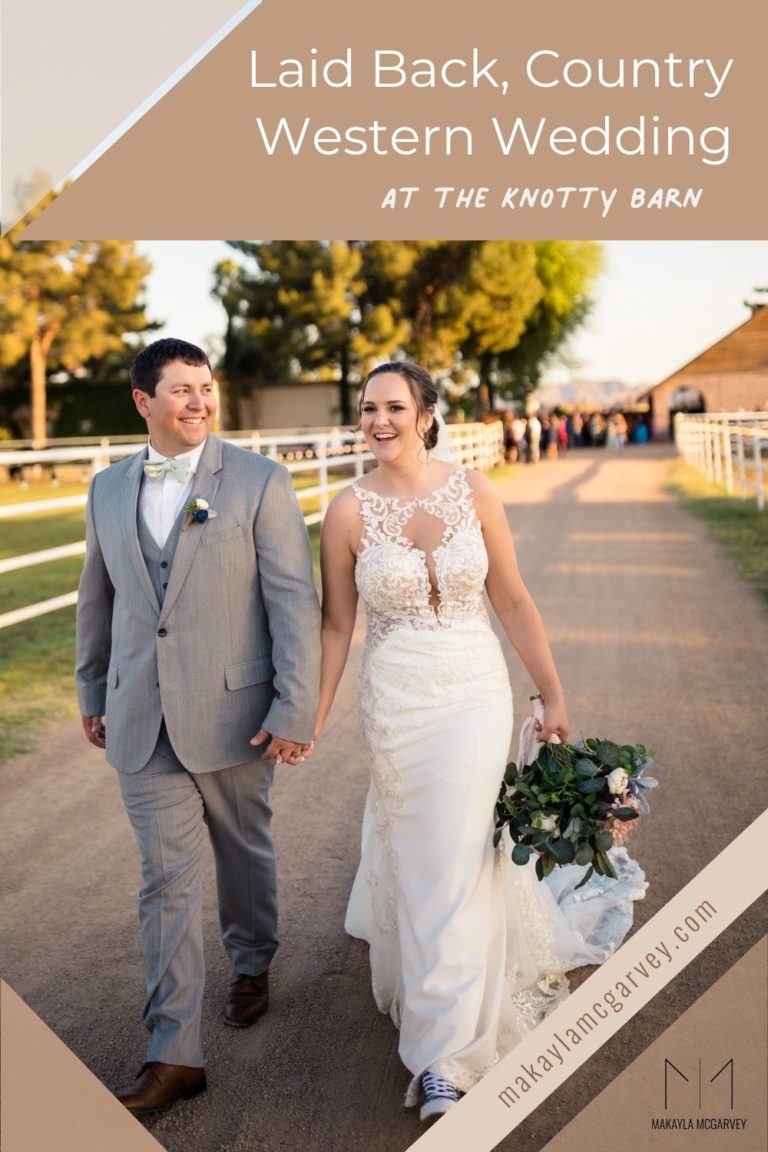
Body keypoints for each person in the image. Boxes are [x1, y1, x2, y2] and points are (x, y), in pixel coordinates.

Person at [314, 362, 645, 1123]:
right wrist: (316, 714)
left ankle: (444, 1060)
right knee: (431, 862)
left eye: (394, 406)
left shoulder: (475, 492)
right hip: (396, 701)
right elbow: (337, 626)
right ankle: (446, 1020)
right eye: (368, 409)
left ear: (427, 414)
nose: (379, 420)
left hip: (472, 694)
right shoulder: (346, 512)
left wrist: (552, 691)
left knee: (459, 857)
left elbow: (512, 596)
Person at [75, 338, 320, 1116]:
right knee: (165, 884)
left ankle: (252, 960)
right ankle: (174, 1052)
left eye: (204, 389)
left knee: (243, 848)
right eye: (179, 391)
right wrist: (92, 685)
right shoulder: (106, 490)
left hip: (236, 714)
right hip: (140, 718)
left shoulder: (259, 481)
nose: (197, 403)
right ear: (143, 403)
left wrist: (293, 708)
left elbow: (292, 605)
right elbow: (98, 595)